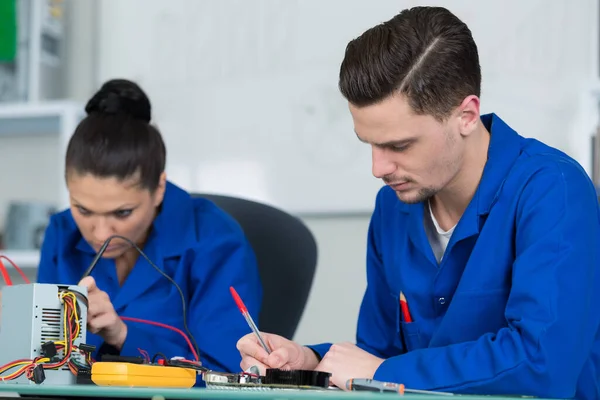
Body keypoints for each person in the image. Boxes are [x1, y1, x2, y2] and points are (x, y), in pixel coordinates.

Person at [236, 6, 600, 399]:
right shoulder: (393, 207)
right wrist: (311, 361)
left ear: (466, 115)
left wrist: (385, 371)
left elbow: (541, 362)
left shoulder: (554, 191)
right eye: (370, 144)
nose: (379, 167)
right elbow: (377, 357)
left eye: (399, 145)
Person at [37, 79, 263, 376]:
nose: (101, 233)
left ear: (158, 188)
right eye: (83, 209)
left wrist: (122, 336)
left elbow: (228, 374)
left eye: (123, 212)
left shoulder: (215, 239)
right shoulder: (61, 232)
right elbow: (41, 373)